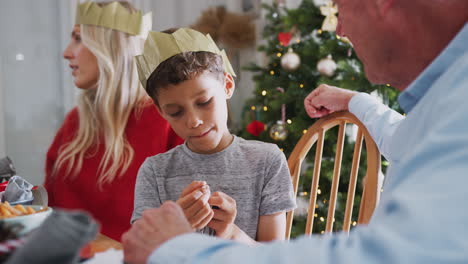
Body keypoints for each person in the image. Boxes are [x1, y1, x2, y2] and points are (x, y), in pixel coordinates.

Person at [122, 0, 468, 263]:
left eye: (339, 7)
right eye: (176, 111)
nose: (340, 30)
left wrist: (182, 246)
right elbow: (404, 139)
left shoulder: (457, 104)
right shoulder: (443, 102)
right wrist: (357, 101)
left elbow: (392, 252)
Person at [128, 28, 296, 245]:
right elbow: (141, 251)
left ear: (227, 85)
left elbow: (273, 258)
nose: (193, 121)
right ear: (161, 111)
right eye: (176, 112)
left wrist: (229, 232)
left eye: (204, 102)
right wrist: (175, 229)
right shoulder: (155, 172)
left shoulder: (266, 161)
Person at [43, 1, 183, 242]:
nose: (67, 52)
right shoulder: (74, 123)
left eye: (78, 38)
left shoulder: (167, 121)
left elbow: (189, 225)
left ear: (110, 49)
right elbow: (50, 212)